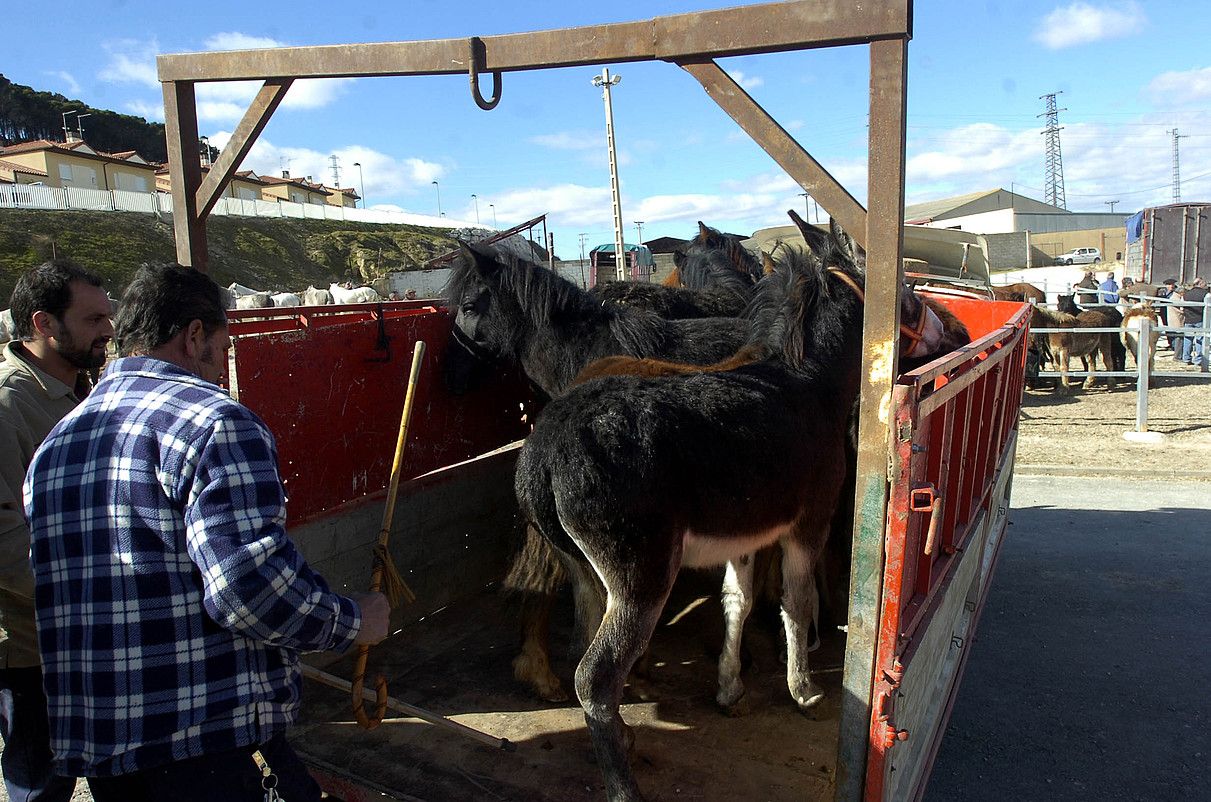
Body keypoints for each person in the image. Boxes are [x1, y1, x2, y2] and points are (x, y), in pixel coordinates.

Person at [23, 263, 390, 802]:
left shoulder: (55, 446)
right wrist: (355, 620)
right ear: (195, 336)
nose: (221, 369)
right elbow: (249, 591)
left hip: (107, 754)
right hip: (207, 746)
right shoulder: (215, 422)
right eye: (222, 347)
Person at [1, 260, 113, 802]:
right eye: (93, 320)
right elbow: (3, 544)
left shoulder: (83, 393)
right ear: (44, 325)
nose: (109, 331)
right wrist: (89, 595)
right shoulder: (7, 407)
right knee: (39, 778)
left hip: (80, 632)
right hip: (32, 645)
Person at [1179, 277, 1209, 365]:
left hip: (1188, 319)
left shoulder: (1186, 294)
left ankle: (1186, 358)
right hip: (1200, 319)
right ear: (1200, 284)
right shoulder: (1206, 294)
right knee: (1200, 339)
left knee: (1188, 338)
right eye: (1204, 283)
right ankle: (1198, 359)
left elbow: (1181, 307)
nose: (1205, 285)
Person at [1157, 278, 1178, 350]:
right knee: (1166, 327)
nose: (1171, 286)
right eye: (1169, 285)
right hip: (1164, 311)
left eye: (1172, 284)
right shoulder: (1162, 292)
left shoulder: (1176, 292)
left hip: (1173, 313)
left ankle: (1174, 344)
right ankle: (1170, 343)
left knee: (1174, 327)